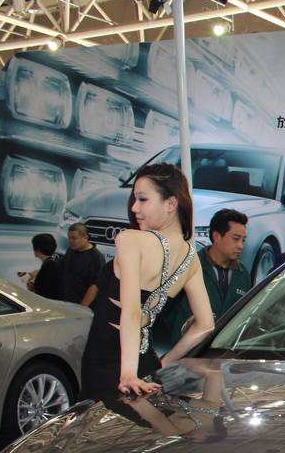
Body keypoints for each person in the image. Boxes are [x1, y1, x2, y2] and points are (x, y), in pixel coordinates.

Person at [79, 163, 215, 399]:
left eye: (142, 199)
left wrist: (128, 374)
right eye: (134, 199)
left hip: (110, 366)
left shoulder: (130, 240)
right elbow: (205, 325)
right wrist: (163, 363)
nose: (134, 207)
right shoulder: (191, 257)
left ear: (171, 204)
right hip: (147, 367)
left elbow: (132, 311)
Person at [152, 208, 251, 350]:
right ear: (216, 236)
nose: (241, 245)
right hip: (185, 352)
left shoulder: (243, 274)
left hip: (223, 354)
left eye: (243, 240)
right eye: (236, 239)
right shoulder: (188, 265)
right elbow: (162, 310)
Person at [61, 222, 105, 307]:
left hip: (84, 307)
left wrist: (82, 308)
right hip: (67, 303)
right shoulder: (70, 250)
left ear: (85, 238)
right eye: (69, 238)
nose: (70, 241)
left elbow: (95, 286)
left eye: (74, 238)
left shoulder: (96, 258)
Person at [21, 233, 64, 301]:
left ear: (37, 249)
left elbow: (46, 293)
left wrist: (33, 289)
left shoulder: (48, 265)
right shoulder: (53, 263)